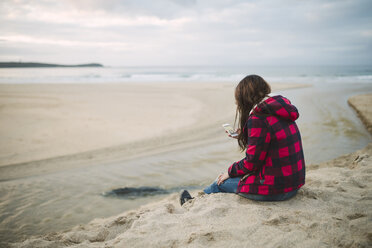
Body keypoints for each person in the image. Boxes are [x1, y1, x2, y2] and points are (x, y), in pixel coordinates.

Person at [180, 74, 305, 205]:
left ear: (245, 98)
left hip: (277, 189)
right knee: (231, 177)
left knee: (220, 182)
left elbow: (252, 162)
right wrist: (245, 135)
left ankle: (191, 204)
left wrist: (230, 171)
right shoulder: (279, 110)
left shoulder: (258, 118)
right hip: (294, 183)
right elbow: (270, 140)